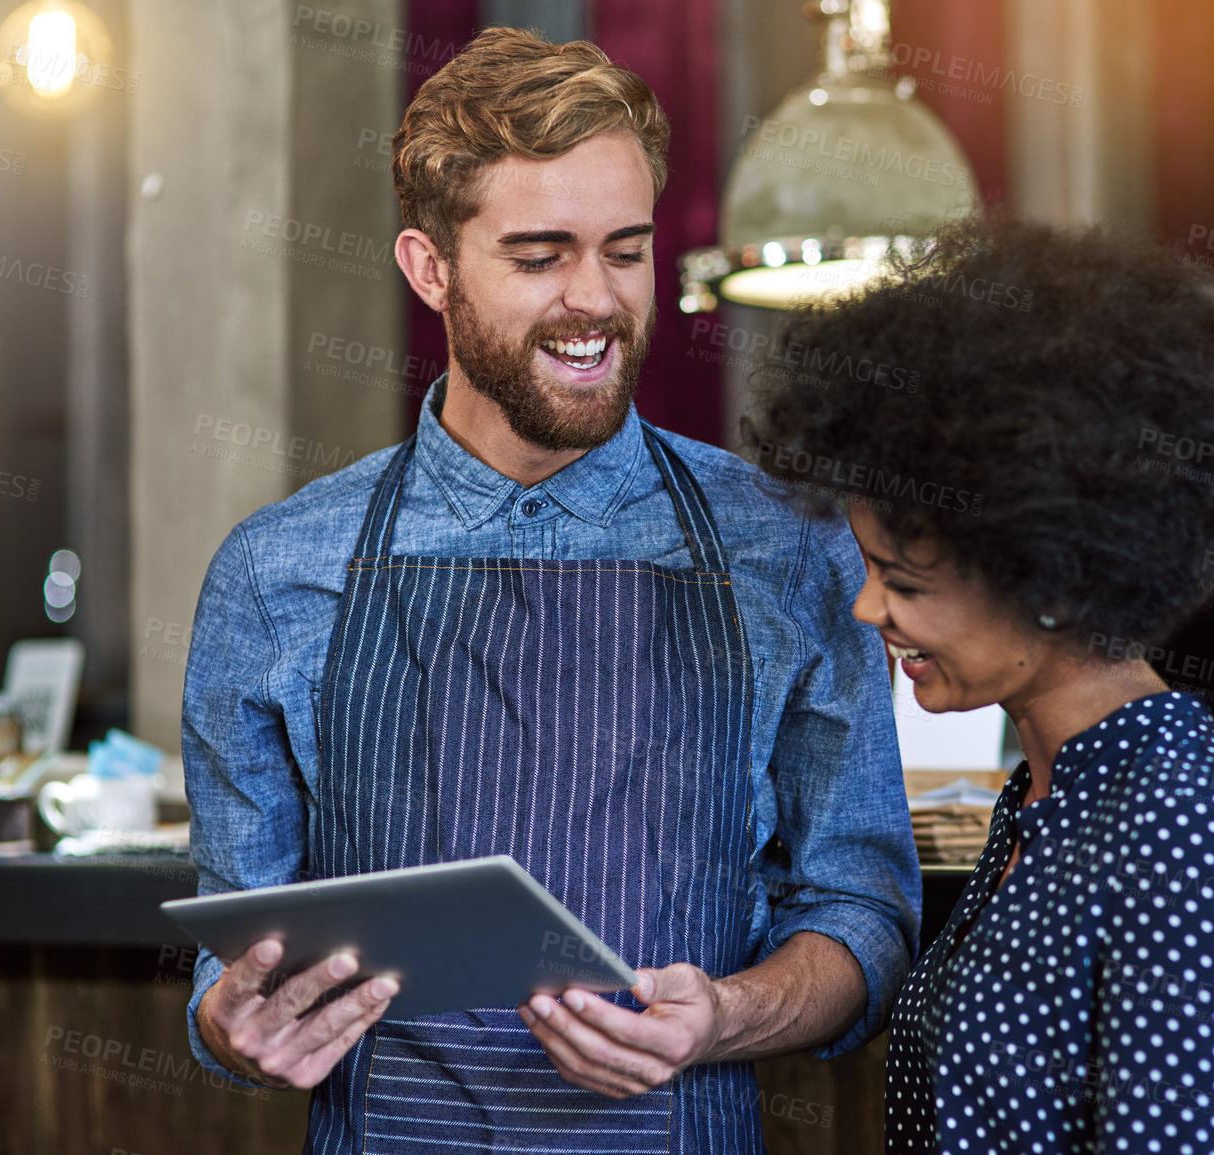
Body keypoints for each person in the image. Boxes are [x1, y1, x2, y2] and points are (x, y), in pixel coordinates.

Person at [181, 28, 919, 1154]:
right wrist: (225, 1022)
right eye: (539, 258)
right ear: (430, 268)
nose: (595, 302)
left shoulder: (787, 546)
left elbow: (862, 918)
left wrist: (723, 1016)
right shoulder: (279, 572)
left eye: (625, 251)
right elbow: (242, 945)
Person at [748, 219, 1214, 1154]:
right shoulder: (1048, 795)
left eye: (906, 581)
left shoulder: (1179, 832)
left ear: (1052, 576)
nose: (865, 606)